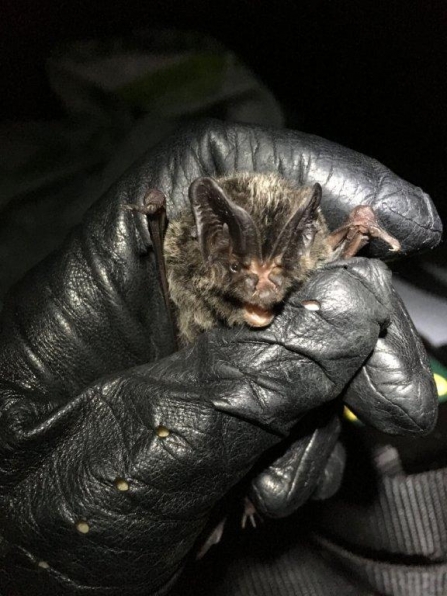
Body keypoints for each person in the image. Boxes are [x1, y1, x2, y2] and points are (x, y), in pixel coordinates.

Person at [0, 120, 442, 596]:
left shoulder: (312, 252)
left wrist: (351, 238)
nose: (263, 287)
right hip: (174, 344)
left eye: (278, 271)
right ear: (215, 246)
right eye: (243, 270)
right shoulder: (188, 261)